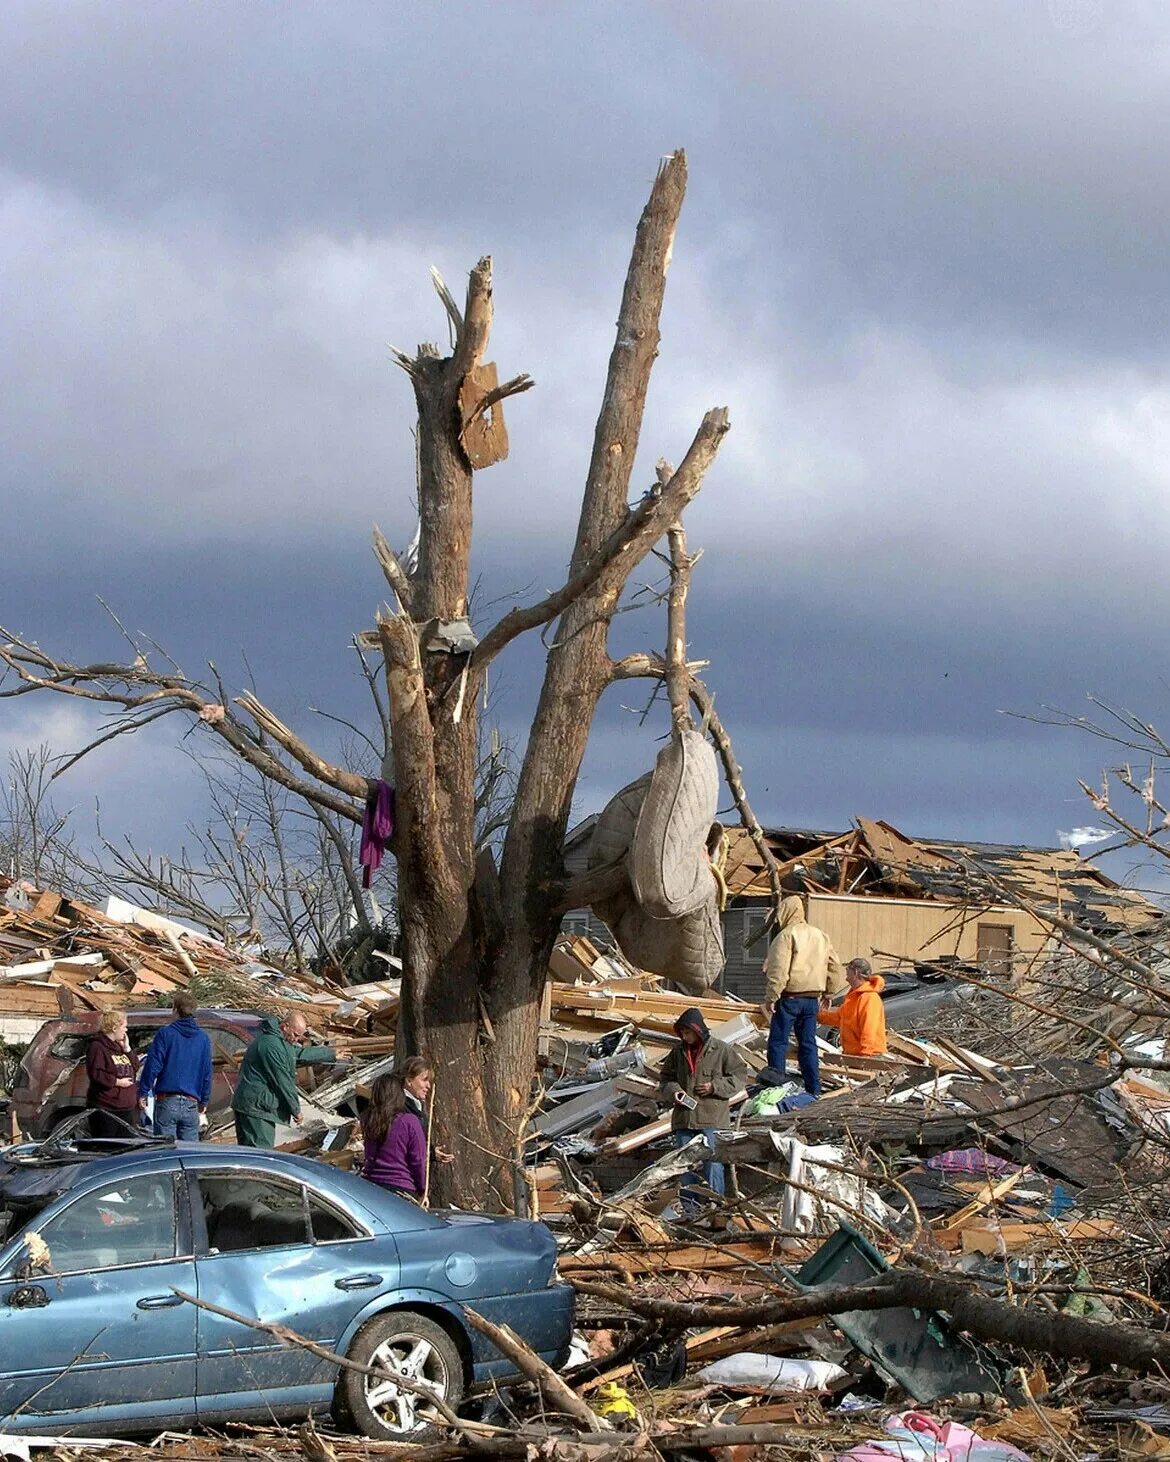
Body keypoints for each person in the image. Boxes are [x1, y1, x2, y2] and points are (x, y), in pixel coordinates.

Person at [657, 1008, 744, 1214]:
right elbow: (666, 1079)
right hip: (685, 1121)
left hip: (712, 1119)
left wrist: (715, 1087)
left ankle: (715, 1208)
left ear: (698, 1030)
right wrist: (675, 1092)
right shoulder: (678, 1052)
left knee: (713, 1164)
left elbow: (739, 1076)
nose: (685, 1037)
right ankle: (690, 1210)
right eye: (682, 1034)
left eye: (688, 1033)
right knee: (685, 1166)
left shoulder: (721, 1050)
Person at [760, 895, 845, 1097]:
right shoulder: (821, 935)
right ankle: (813, 1089)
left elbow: (778, 969)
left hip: (790, 998)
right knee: (808, 1045)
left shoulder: (786, 936)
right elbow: (835, 965)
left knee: (778, 1043)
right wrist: (829, 991)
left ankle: (776, 1089)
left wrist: (772, 996)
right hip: (811, 1000)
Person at [231, 1011, 338, 1148]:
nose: (296, 1039)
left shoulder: (279, 1042)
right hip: (256, 1108)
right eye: (295, 1034)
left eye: (299, 1036)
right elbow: (283, 1080)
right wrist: (296, 1110)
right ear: (285, 1026)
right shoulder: (271, 1045)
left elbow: (297, 1054)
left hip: (254, 1106)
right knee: (261, 1155)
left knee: (252, 1155)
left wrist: (330, 1053)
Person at [137, 991, 212, 1140]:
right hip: (191, 1102)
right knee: (189, 1154)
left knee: (166, 1152)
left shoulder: (166, 1034)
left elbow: (153, 1065)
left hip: (167, 1100)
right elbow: (206, 1073)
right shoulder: (203, 1039)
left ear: (175, 1009)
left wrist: (143, 1091)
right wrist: (204, 1100)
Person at [361, 1070, 428, 1199]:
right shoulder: (409, 1121)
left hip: (371, 1186)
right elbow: (418, 1160)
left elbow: (369, 1155)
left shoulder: (368, 1119)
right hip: (400, 1188)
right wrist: (422, 1188)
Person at [86, 1010, 140, 1138]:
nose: (126, 1030)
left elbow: (135, 1067)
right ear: (115, 1028)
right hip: (107, 1108)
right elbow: (96, 1073)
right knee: (108, 1146)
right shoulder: (97, 1047)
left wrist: (127, 1049)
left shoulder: (120, 1047)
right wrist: (117, 1082)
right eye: (124, 1026)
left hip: (126, 1109)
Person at [818, 957, 888, 1056]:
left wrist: (866, 1054)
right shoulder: (853, 997)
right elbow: (840, 1018)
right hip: (854, 1054)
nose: (846, 974)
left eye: (847, 970)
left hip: (870, 1055)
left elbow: (869, 1027)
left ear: (855, 972)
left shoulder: (869, 998)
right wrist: (818, 1016)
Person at [398, 1056, 456, 1169]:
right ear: (409, 1080)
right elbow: (405, 1146)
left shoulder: (414, 1106)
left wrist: (430, 1153)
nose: (428, 1086)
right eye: (424, 1080)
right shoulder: (401, 1108)